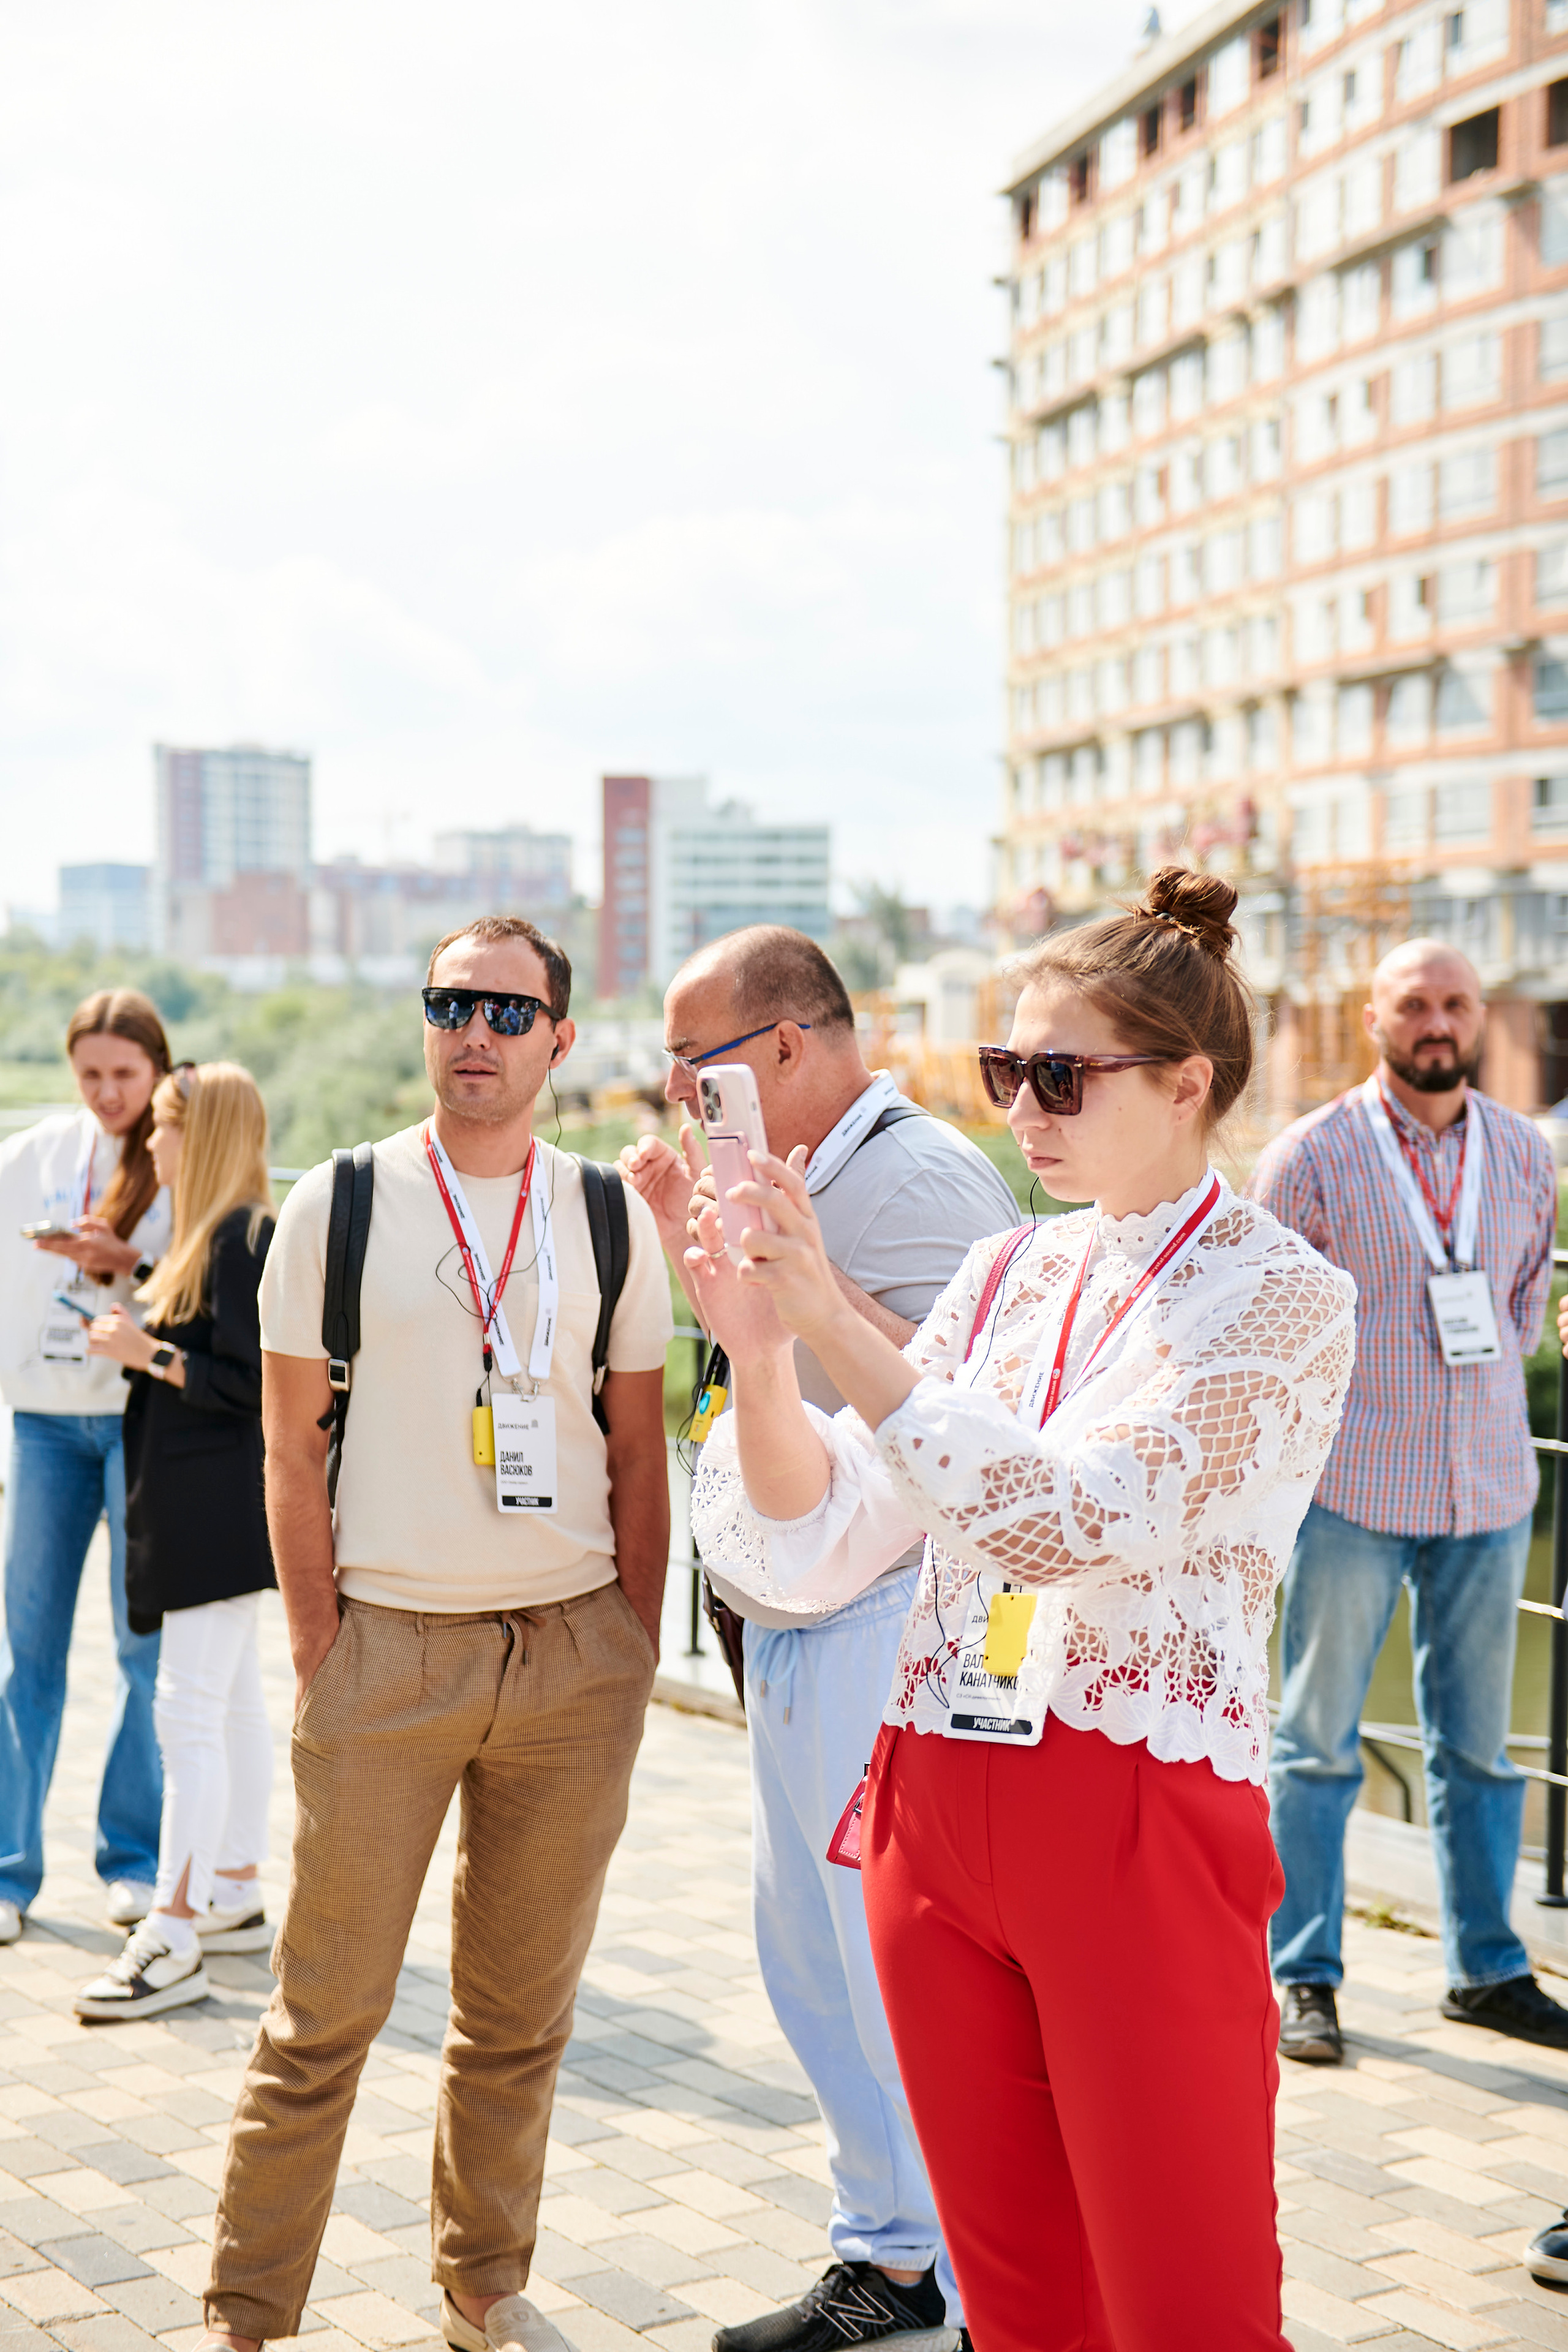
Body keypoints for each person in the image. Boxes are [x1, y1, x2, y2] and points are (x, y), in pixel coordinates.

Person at [686, 870, 1357, 2352]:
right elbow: (827, 1526)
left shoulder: (1283, 1297)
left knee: (1187, 2305)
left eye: (1058, 1074)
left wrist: (830, 1329)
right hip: (930, 1803)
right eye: (1005, 1073)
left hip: (1131, 1817)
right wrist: (762, 1349)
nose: (1022, 1111)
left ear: (1187, 1086)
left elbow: (1074, 1520)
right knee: (1017, 2303)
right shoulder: (1003, 1267)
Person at [197, 914, 672, 2352]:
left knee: (518, 2021)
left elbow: (641, 1453)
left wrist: (630, 1648)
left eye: (507, 1011)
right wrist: (324, 1641)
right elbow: (290, 1451)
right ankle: (248, 2313)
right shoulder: (338, 1205)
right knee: (320, 2019)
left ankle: (482, 2288)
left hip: (570, 1659)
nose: (475, 1030)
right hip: (387, 1652)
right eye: (450, 1003)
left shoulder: (606, 1213)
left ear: (558, 1041)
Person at [622, 926, 1015, 2352]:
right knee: (813, 1964)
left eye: (693, 1058)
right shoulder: (795, 1168)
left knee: (900, 1979)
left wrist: (790, 1287)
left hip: (881, 1631)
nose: (671, 1086)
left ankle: (982, 2292)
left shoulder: (914, 1176)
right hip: (794, 1620)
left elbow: (948, 1403)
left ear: (786, 1045)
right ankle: (891, 2254)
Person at [1250, 940, 1568, 2063]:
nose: (1438, 1022)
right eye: (1415, 1004)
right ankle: (1307, 1977)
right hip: (1352, 1491)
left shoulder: (1526, 1154)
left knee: (1480, 1750)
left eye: (1455, 1004)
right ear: (1374, 1017)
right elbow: (1267, 1324)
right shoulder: (1310, 1157)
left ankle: (1487, 1968)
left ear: (1480, 1016)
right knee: (1318, 1739)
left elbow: (1527, 1302)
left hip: (1489, 1486)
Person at [74, 1061, 277, 2021]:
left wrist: (141, 1351)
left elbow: (250, 1383)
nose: (151, 1143)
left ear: (205, 1133)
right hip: (209, 1511)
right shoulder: (214, 1237)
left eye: (163, 1126)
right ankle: (231, 1885)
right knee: (227, 1704)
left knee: (188, 1714)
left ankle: (177, 1926)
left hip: (213, 1514)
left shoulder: (241, 1236)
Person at [0, 988, 173, 1940]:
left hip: (142, 1422)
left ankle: (133, 1861)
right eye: (91, 1074)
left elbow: (211, 1281)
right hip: (43, 1424)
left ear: (157, 1070)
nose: (108, 1092)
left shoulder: (181, 1154)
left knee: (141, 1653)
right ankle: (10, 1872)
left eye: (125, 1074)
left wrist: (127, 1260)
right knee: (29, 1652)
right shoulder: (28, 1160)